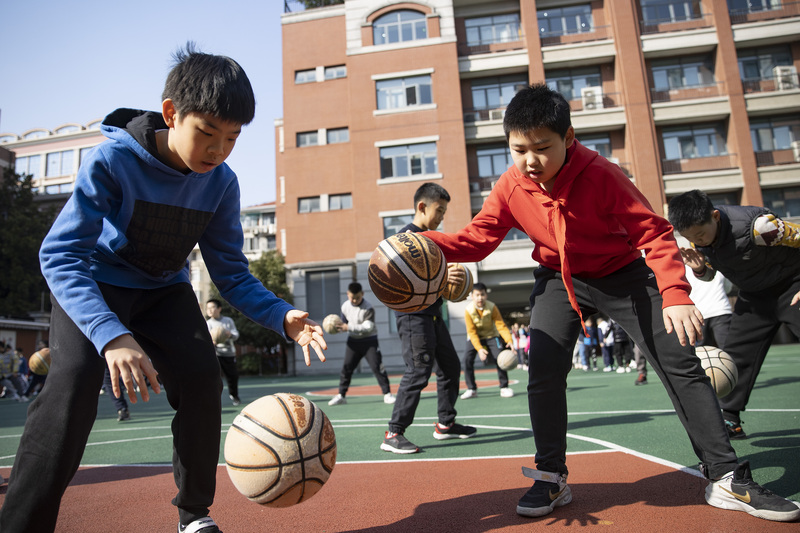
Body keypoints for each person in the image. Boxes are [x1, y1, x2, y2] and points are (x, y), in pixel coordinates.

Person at [421, 84, 799, 522]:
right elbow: (478, 238)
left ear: (569, 138)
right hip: (559, 278)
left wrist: (676, 294)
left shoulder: (604, 174)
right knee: (543, 369)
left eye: (541, 147)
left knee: (680, 361)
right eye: (518, 149)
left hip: (623, 274)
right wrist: (419, 243)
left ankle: (725, 476)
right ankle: (550, 475)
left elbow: (653, 234)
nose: (529, 160)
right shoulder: (512, 185)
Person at [0, 44, 328, 533]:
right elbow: (60, 254)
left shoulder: (220, 183)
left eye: (233, 138)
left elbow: (231, 273)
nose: (218, 151)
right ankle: (21, 524)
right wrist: (111, 336)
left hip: (162, 289)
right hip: (95, 283)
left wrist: (282, 315)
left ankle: (194, 514)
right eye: (207, 133)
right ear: (172, 115)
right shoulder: (113, 160)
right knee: (71, 389)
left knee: (201, 379)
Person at [668, 189, 800, 441]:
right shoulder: (699, 236)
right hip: (754, 296)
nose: (698, 241)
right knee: (735, 356)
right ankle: (730, 418)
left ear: (715, 216)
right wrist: (699, 270)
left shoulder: (760, 227)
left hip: (793, 285)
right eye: (690, 237)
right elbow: (712, 273)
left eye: (700, 235)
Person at [381, 182, 476, 455]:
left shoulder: (433, 240)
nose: (442, 216)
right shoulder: (406, 240)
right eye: (440, 210)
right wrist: (444, 279)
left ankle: (445, 424)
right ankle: (393, 432)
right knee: (418, 372)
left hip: (433, 314)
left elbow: (436, 279)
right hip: (413, 317)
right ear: (422, 207)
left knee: (450, 367)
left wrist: (449, 281)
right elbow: (405, 281)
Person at [328, 282, 395, 406]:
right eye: (352, 297)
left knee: (377, 367)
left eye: (357, 297)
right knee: (346, 368)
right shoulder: (345, 306)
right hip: (353, 341)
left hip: (369, 341)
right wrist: (335, 327)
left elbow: (368, 327)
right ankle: (341, 395)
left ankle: (387, 394)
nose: (354, 300)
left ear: (362, 294)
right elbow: (344, 323)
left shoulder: (368, 307)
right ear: (348, 294)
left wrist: (348, 327)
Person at [460, 282, 515, 399]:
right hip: (474, 337)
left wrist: (509, 340)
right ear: (472, 296)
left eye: (482, 294)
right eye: (477, 295)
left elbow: (501, 325)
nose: (480, 298)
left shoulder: (492, 307)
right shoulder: (468, 310)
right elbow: (471, 332)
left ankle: (504, 387)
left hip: (491, 335)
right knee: (466, 360)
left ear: (486, 295)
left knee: (499, 357)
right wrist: (480, 349)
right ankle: (471, 389)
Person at [684, 264, 732, 349]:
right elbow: (728, 288)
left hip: (699, 314)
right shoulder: (717, 263)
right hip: (721, 311)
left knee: (703, 355)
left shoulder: (684, 268)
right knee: (729, 351)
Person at [206, 298, 241, 406]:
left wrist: (229, 334)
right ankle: (213, 399)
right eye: (208, 308)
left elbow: (236, 335)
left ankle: (234, 395)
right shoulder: (207, 323)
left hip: (229, 353)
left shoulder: (228, 321)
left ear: (219, 309)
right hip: (215, 354)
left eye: (212, 307)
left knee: (233, 376)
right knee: (213, 377)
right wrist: (211, 341)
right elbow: (205, 338)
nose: (210, 310)